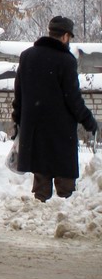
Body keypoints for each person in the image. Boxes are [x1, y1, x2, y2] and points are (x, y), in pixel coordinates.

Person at [12, 15, 98, 202]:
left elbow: (19, 94)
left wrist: (17, 122)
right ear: (66, 36)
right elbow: (73, 99)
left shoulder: (27, 56)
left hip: (34, 132)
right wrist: (89, 121)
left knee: (41, 183)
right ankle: (64, 215)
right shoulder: (66, 61)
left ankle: (39, 215)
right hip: (60, 134)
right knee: (65, 188)